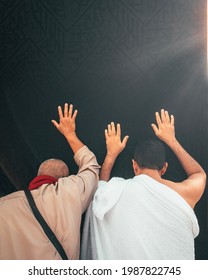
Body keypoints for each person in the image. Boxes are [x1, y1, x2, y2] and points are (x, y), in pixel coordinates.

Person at [81, 109, 206, 260]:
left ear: (134, 166)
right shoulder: (184, 194)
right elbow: (199, 174)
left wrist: (111, 154)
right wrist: (171, 140)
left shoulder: (117, 191)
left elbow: (99, 190)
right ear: (164, 168)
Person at [0, 103, 100, 260]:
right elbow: (91, 167)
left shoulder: (4, 206)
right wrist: (70, 134)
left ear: (38, 175)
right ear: (62, 180)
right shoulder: (69, 191)